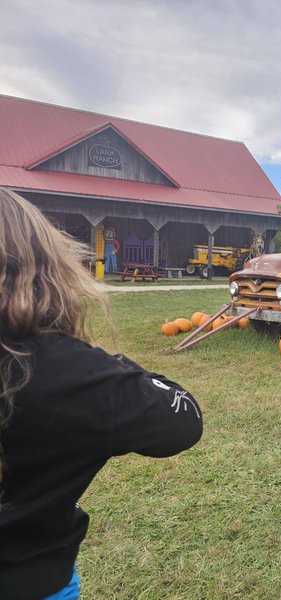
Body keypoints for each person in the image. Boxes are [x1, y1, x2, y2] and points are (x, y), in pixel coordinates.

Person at [0, 188, 203, 600]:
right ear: (47, 269)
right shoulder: (72, 372)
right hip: (31, 581)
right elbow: (184, 421)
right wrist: (110, 365)